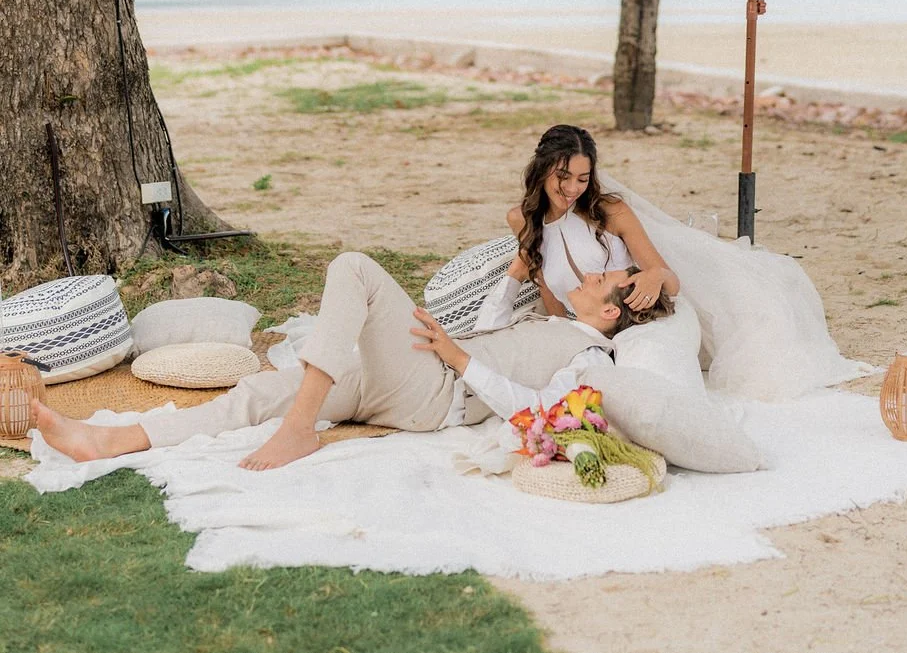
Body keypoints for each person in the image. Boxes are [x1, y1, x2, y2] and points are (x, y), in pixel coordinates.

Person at [32, 250, 672, 472]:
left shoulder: (590, 355)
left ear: (613, 310)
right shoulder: (552, 319)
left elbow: (536, 412)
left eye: (602, 275)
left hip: (434, 393)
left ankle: (298, 433)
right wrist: (508, 280)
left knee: (354, 269)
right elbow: (484, 333)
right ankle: (114, 438)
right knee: (263, 392)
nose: (589, 272)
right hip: (420, 371)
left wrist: (455, 356)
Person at [494, 124, 681, 322]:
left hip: (629, 326)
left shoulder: (611, 211)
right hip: (581, 330)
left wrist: (656, 275)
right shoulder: (522, 219)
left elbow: (672, 285)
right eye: (563, 177)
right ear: (542, 169)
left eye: (582, 179)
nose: (572, 189)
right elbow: (547, 290)